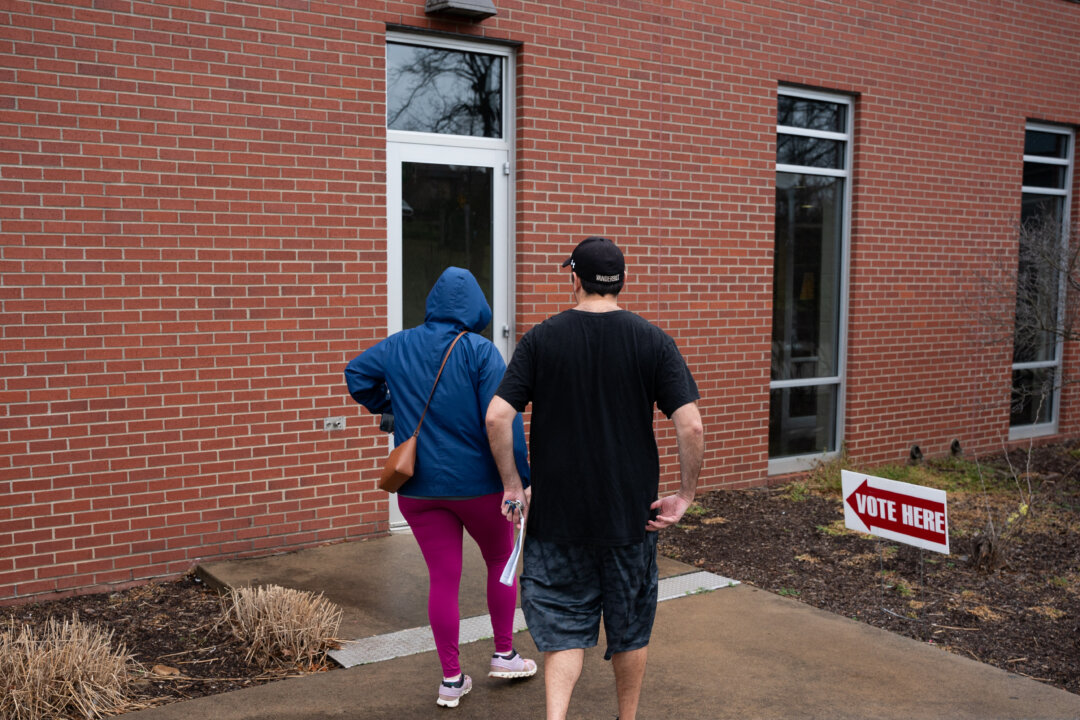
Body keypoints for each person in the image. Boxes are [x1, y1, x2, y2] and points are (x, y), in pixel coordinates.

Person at [485, 236, 704, 720]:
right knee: (629, 628)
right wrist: (685, 495)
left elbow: (498, 417)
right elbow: (690, 424)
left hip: (557, 521)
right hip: (631, 520)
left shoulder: (542, 339)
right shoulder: (652, 340)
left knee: (563, 628)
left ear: (575, 280)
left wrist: (512, 486)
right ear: (621, 282)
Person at [345, 267, 537, 709]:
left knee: (443, 579)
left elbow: (356, 373)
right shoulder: (479, 351)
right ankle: (504, 654)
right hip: (480, 487)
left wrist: (389, 405)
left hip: (419, 490)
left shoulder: (398, 344)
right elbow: (503, 421)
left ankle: (451, 679)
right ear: (476, 307)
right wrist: (520, 482)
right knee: (498, 563)